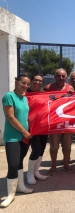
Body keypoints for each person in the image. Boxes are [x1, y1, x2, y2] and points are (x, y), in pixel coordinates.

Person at [1, 74, 33, 208]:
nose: (25, 86)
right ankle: (10, 195)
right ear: (16, 82)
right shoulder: (9, 96)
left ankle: (21, 186)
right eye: (23, 83)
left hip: (24, 137)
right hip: (13, 136)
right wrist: (24, 131)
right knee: (13, 164)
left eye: (27, 84)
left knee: (19, 161)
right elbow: (10, 117)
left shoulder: (24, 98)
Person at [43, 68, 75, 175]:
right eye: (58, 76)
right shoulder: (48, 88)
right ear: (54, 77)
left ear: (66, 77)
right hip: (54, 122)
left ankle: (66, 165)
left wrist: (73, 95)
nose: (61, 78)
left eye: (63, 76)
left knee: (67, 146)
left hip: (67, 122)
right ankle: (53, 166)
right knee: (54, 146)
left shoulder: (70, 88)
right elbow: (41, 101)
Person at [26, 75, 48, 185]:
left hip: (43, 126)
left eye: (40, 81)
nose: (37, 82)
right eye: (35, 80)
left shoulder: (43, 94)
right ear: (31, 81)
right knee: (36, 149)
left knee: (42, 148)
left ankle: (36, 171)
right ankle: (29, 173)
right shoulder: (24, 94)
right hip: (31, 127)